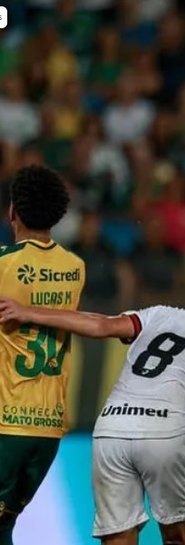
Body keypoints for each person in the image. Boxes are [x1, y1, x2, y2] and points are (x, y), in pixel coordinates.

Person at [0, 275, 185, 545]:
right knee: (176, 538)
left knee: (118, 538)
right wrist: (181, 449)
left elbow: (101, 326)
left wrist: (27, 312)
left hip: (111, 428)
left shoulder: (162, 314)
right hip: (166, 431)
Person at [0, 165, 85, 545]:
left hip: (6, 421)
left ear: (12, 212)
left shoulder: (4, 265)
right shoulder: (74, 268)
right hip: (48, 427)